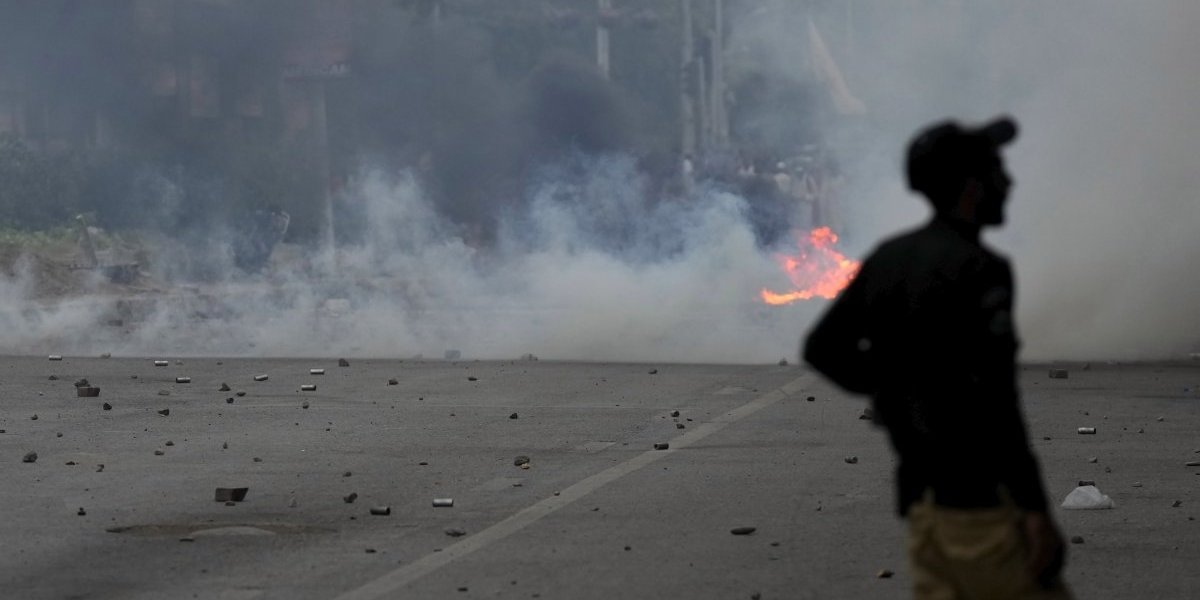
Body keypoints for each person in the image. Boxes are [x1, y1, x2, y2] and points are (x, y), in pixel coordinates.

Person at [803, 116, 1072, 599]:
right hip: (980, 509)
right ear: (972, 188)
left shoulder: (890, 257)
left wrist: (892, 387)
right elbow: (998, 400)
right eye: (996, 171)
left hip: (921, 508)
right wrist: (1035, 509)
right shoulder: (981, 269)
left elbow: (823, 349)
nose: (1007, 183)